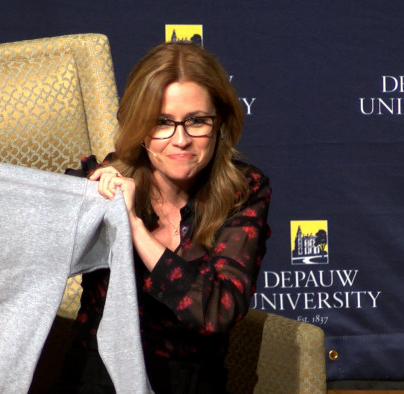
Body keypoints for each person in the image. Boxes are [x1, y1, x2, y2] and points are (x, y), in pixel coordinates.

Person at [62, 42, 271, 393]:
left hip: (192, 381)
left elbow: (216, 312)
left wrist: (132, 226)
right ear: (140, 126)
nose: (181, 140)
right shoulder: (97, 183)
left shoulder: (244, 189)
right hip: (97, 378)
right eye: (162, 123)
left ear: (219, 122)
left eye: (197, 121)